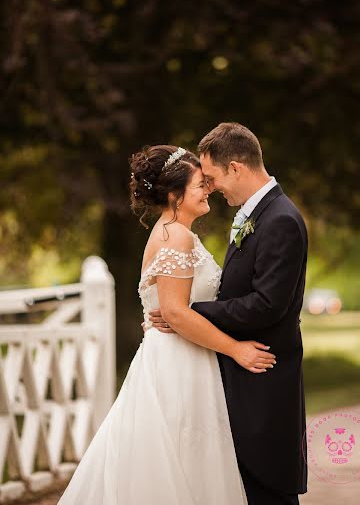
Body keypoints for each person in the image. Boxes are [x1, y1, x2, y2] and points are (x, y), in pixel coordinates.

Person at [57, 144, 276, 505]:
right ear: (175, 195)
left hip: (182, 356)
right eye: (199, 185)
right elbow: (175, 313)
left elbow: (177, 309)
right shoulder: (174, 235)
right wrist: (236, 349)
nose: (208, 190)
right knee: (178, 463)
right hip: (177, 363)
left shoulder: (175, 232)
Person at [149, 123, 308, 505]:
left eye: (214, 177)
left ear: (236, 168)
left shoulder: (280, 220)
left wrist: (189, 312)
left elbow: (267, 304)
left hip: (263, 379)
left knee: (268, 488)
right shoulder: (258, 215)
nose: (212, 187)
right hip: (235, 377)